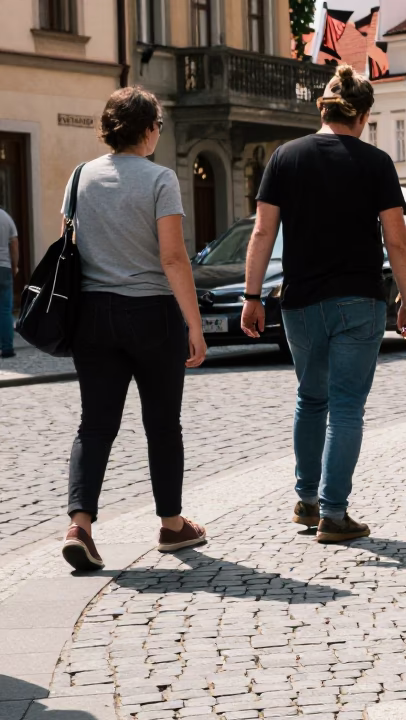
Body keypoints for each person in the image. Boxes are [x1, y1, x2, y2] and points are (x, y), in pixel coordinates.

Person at [241, 64, 406, 543]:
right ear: (360, 115)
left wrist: (252, 296)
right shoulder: (376, 162)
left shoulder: (284, 157)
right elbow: (397, 242)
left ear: (323, 108)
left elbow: (262, 231)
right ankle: (334, 515)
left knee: (310, 398)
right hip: (358, 300)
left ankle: (307, 501)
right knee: (345, 407)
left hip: (299, 301)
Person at [60, 87, 209, 571]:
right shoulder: (160, 178)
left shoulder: (80, 176)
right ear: (147, 129)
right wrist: (195, 323)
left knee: (95, 423)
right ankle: (171, 525)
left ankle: (79, 525)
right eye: (159, 127)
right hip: (152, 314)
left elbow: (74, 246)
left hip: (93, 315)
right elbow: (172, 256)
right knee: (162, 424)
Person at [0, 205, 17, 358]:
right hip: (4, 268)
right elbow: (14, 243)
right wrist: (14, 265)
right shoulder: (6, 217)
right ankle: (7, 348)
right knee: (5, 311)